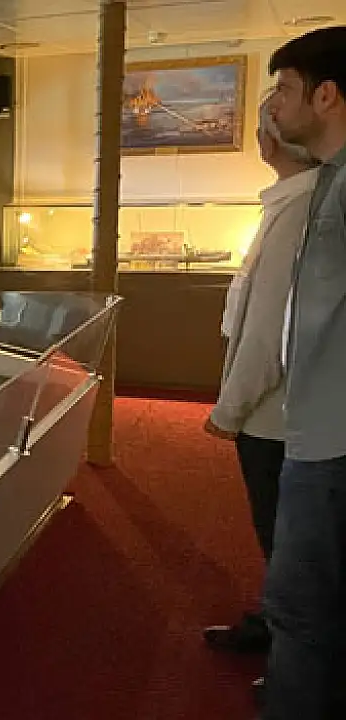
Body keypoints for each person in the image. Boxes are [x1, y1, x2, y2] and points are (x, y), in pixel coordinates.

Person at [202, 97, 320, 658]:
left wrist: (229, 411)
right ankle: (280, 625)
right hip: (286, 410)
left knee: (284, 535)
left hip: (274, 418)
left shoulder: (299, 212)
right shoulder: (295, 202)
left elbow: (268, 334)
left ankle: (293, 655)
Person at [261, 24, 346, 720]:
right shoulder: (327, 178)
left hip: (331, 442)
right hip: (317, 426)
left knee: (300, 606)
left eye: (285, 89)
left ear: (327, 95)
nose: (273, 104)